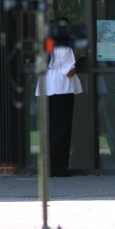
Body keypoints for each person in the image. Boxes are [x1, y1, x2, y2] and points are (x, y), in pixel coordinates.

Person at [36, 17, 83, 177]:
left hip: (46, 87)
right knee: (62, 129)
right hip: (62, 88)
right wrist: (78, 59)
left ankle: (46, 167)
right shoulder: (64, 46)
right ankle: (59, 167)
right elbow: (69, 71)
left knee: (49, 128)